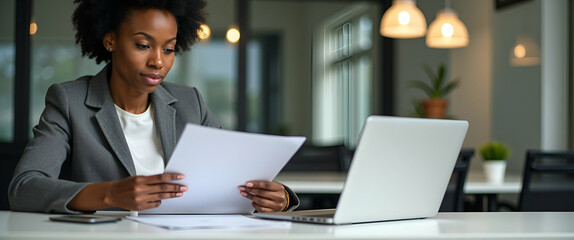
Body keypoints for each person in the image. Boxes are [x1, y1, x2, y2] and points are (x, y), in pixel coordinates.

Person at [9, 0, 299, 214]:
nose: (158, 61)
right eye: (143, 45)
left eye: (168, 48)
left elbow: (236, 173)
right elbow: (24, 188)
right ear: (111, 41)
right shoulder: (69, 101)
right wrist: (110, 194)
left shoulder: (191, 102)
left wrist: (279, 197)